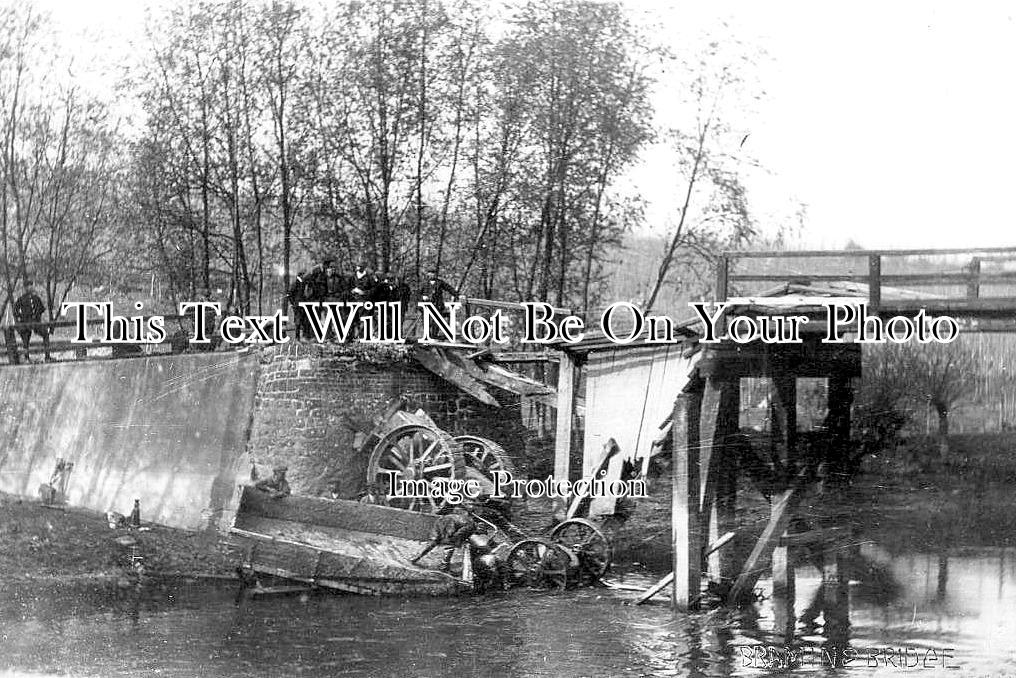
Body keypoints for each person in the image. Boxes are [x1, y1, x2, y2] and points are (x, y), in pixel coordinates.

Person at [410, 505, 476, 573]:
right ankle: (444, 566)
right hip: (449, 524)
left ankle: (416, 557)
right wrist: (456, 540)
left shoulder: (464, 517)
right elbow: (459, 533)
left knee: (433, 541)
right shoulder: (471, 525)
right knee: (450, 545)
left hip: (441, 521)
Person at [13, 280, 50, 362]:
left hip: (36, 323)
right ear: (25, 288)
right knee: (25, 339)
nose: (30, 287)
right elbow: (15, 311)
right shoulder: (21, 299)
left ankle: (47, 357)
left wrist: (38, 318)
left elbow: (42, 309)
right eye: (28, 286)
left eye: (31, 285)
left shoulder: (36, 298)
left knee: (45, 334)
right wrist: (21, 318)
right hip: (26, 323)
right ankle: (26, 358)